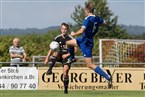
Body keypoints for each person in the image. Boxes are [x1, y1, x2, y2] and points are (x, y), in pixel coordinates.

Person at [66, 3, 112, 88]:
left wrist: (74, 33)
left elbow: (82, 30)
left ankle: (108, 77)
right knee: (68, 43)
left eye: (84, 11)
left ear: (87, 10)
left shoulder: (87, 19)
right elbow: (104, 23)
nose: (84, 12)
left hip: (87, 43)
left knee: (90, 65)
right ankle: (72, 58)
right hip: (84, 40)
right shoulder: (97, 18)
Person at [44, 23, 76, 94]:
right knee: (55, 53)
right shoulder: (57, 38)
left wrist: (67, 54)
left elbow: (76, 50)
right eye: (62, 29)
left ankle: (65, 89)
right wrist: (47, 58)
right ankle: (49, 70)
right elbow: (51, 49)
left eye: (65, 29)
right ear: (60, 29)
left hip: (68, 57)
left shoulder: (71, 38)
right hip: (60, 55)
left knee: (65, 73)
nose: (64, 30)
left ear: (67, 30)